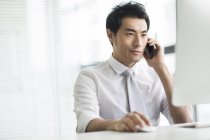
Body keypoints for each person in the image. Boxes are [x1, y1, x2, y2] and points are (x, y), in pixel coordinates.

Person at [73, 1, 192, 133]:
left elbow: (185, 121)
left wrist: (161, 67)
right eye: (130, 34)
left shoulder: (157, 76)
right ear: (111, 35)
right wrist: (117, 124)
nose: (138, 43)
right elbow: (85, 122)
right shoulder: (89, 77)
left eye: (143, 34)